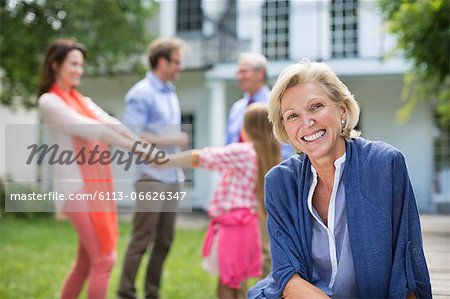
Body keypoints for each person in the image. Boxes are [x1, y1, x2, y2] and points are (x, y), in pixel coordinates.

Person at [248, 59, 432, 299]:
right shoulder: (280, 182)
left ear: (342, 110)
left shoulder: (384, 164)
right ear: (284, 128)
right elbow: (286, 275)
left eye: (316, 106)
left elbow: (406, 266)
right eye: (292, 116)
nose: (306, 122)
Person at [37, 39, 152, 299]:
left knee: (87, 262)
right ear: (55, 65)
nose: (79, 70)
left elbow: (110, 123)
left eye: (81, 65)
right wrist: (136, 149)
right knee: (104, 259)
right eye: (73, 64)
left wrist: (141, 144)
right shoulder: (50, 102)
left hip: (93, 188)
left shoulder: (82, 100)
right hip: (75, 189)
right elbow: (91, 129)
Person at [160, 103, 280, 299]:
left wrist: (163, 160)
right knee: (237, 280)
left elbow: (201, 157)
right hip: (247, 225)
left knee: (225, 284)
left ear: (248, 127)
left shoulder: (244, 152)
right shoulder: (268, 154)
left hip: (233, 225)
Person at [118, 37, 188, 299]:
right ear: (162, 61)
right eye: (177, 62)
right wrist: (173, 139)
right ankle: (125, 292)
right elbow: (131, 135)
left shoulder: (170, 91)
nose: (180, 67)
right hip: (151, 176)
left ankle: (152, 293)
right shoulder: (141, 93)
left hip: (172, 176)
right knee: (141, 239)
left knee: (165, 240)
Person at [226, 52, 290, 277]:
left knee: (267, 243)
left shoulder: (277, 103)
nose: (239, 75)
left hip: (266, 182)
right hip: (240, 188)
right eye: (238, 70)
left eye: (244, 70)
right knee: (238, 245)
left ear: (260, 73)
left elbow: (287, 144)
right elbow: (230, 145)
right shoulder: (237, 109)